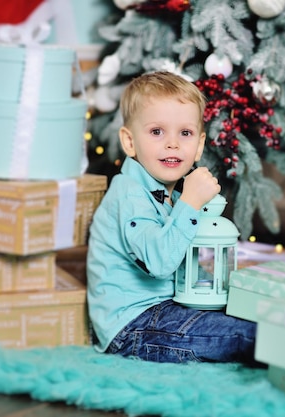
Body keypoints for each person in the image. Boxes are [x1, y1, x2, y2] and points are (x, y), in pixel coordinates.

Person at [86, 71, 258, 365]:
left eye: (185, 133)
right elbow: (159, 263)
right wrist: (190, 203)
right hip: (132, 326)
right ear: (129, 142)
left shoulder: (169, 195)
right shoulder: (129, 195)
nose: (172, 144)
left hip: (168, 308)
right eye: (157, 132)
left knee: (247, 314)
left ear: (199, 145)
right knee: (247, 335)